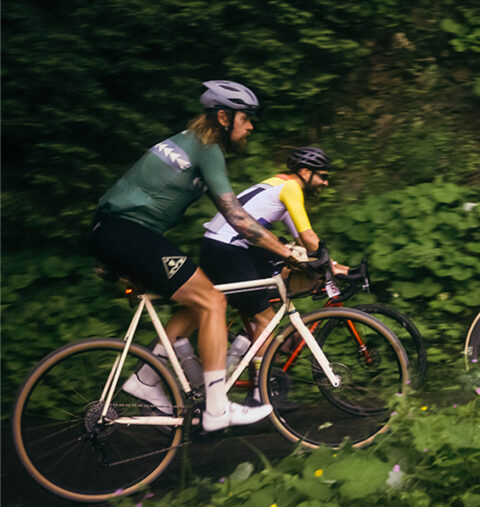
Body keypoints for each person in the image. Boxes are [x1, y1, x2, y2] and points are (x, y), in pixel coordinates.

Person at [89, 80, 308, 431]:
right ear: (224, 116)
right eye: (247, 118)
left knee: (199, 299)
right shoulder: (207, 148)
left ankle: (146, 380)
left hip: (112, 231)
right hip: (129, 233)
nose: (251, 126)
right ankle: (217, 410)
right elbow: (237, 218)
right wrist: (286, 251)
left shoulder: (186, 140)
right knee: (213, 302)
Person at [198, 145, 348, 405]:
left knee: (263, 306)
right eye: (322, 176)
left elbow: (301, 241)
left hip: (218, 246)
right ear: (304, 172)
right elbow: (310, 239)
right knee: (266, 319)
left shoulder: (275, 185)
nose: (325, 182)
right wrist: (327, 267)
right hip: (229, 251)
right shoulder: (291, 188)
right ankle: (260, 394)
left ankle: (239, 359)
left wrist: (334, 266)